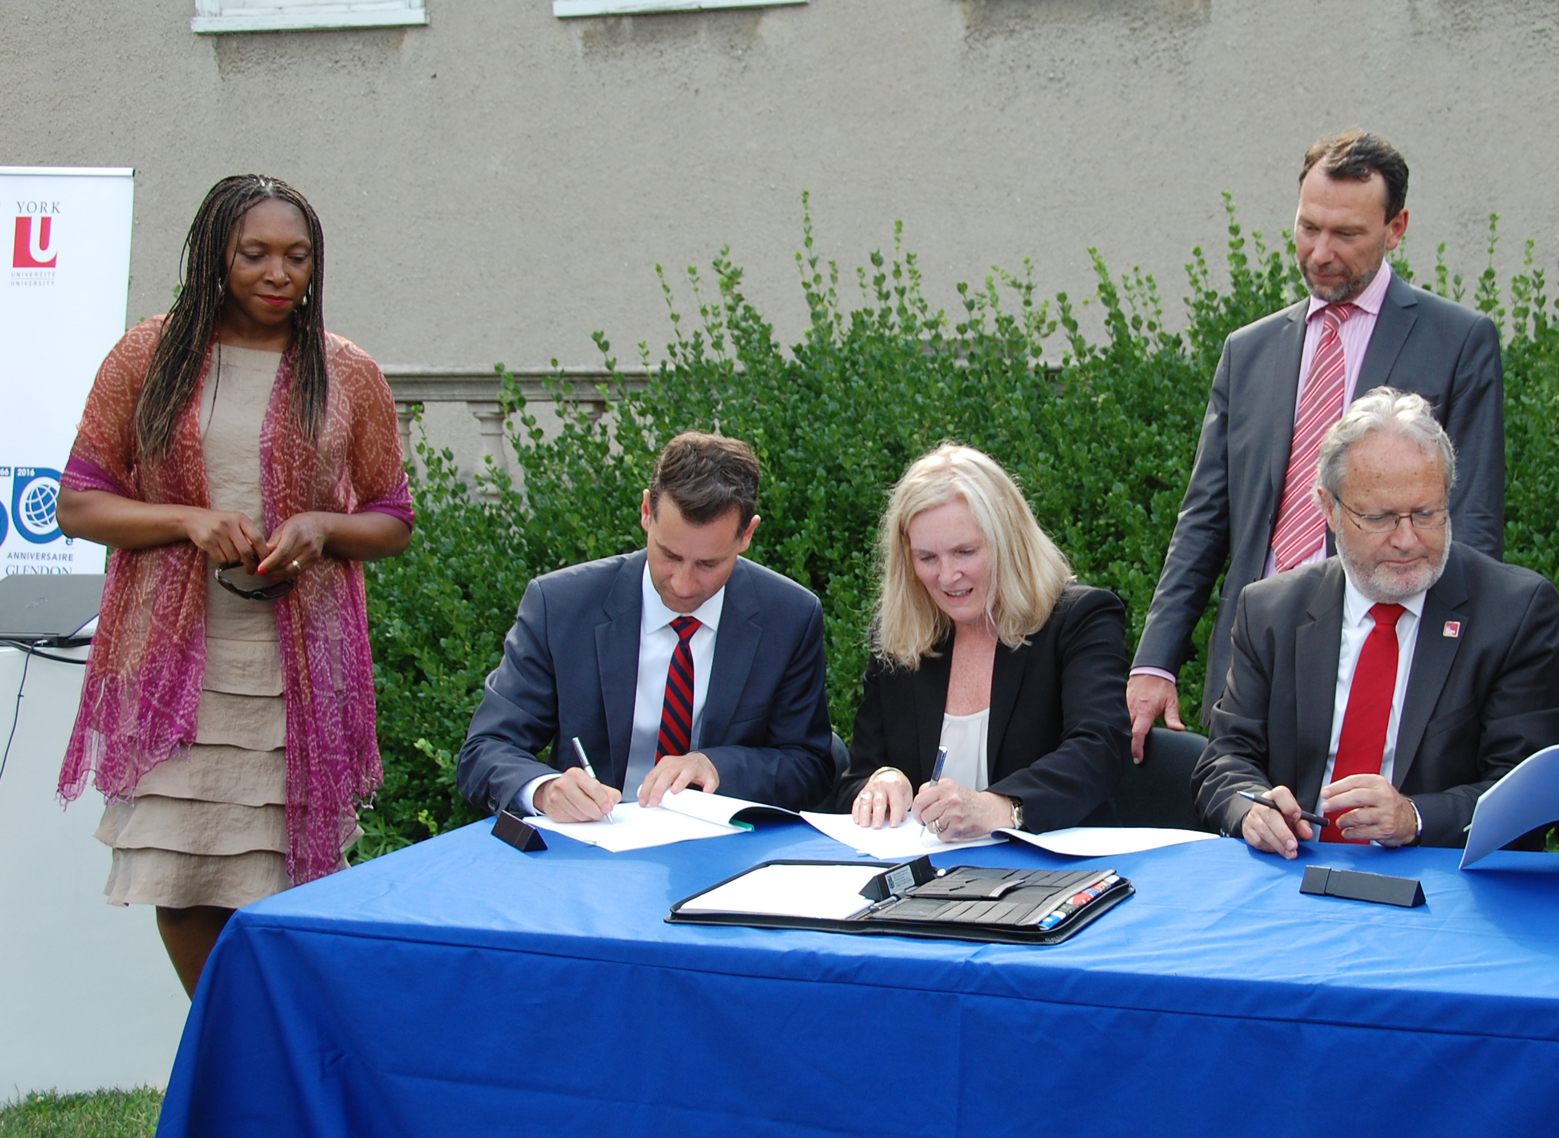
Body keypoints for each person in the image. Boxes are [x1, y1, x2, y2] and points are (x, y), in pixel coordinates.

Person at [54, 175, 413, 997]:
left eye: (297, 256)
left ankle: (269, 1058)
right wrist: (186, 519)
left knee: (285, 884)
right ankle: (227, 1050)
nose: (278, 273)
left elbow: (392, 516)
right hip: (175, 666)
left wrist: (322, 528)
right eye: (255, 254)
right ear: (215, 256)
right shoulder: (150, 356)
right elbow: (78, 501)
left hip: (292, 677)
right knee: (179, 885)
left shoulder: (346, 371)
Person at [1129, 129, 1506, 761]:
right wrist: (1156, 660)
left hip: (1387, 647)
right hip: (1256, 656)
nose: (1321, 252)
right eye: (1308, 228)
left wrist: (1453, 665)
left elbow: (1471, 521)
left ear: (1397, 226)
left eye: (1347, 235)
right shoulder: (1247, 352)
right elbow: (1205, 521)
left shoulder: (1458, 341)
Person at [1193, 388, 1559, 855]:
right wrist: (1251, 809)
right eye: (1381, 517)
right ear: (1329, 509)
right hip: (1294, 873)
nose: (1408, 539)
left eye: (1428, 513)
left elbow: (1528, 795)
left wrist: (1415, 817)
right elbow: (1226, 759)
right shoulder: (1271, 610)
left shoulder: (1513, 612)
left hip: (1440, 886)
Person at [458, 431, 834, 820]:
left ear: (747, 535)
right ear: (645, 512)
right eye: (669, 555)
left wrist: (717, 766)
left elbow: (810, 765)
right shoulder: (561, 606)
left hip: (723, 853)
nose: (684, 584)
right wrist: (543, 790)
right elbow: (486, 747)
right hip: (594, 847)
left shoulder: (788, 617)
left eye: (709, 564)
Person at [837, 444, 1130, 840]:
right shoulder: (898, 637)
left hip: (1053, 873)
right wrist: (883, 783)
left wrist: (1000, 807)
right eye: (927, 558)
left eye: (965, 551)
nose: (947, 576)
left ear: (1007, 541)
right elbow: (857, 777)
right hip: (929, 886)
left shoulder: (1080, 618)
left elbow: (1099, 751)